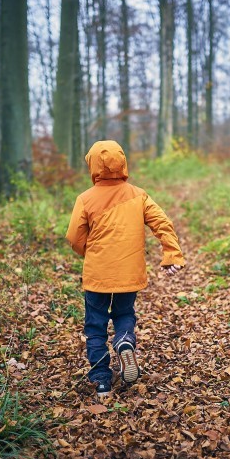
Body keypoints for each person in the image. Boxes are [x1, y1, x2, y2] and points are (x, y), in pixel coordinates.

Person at [65, 140, 185, 398]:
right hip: (129, 274)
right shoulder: (138, 195)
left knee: (95, 327)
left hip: (97, 276)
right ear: (122, 162)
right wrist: (171, 253)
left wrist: (91, 253)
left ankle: (101, 382)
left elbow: (74, 237)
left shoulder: (85, 199)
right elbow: (162, 223)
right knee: (124, 313)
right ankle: (124, 340)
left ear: (93, 165)